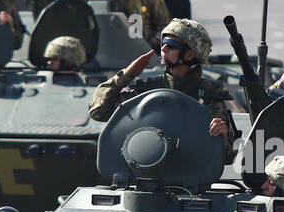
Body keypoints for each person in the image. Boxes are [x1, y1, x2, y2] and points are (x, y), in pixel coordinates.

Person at [88, 17, 237, 162]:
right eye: (163, 43)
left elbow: (227, 158)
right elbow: (99, 112)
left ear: (191, 54)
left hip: (190, 180)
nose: (163, 48)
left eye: (171, 45)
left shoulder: (209, 97)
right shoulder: (146, 91)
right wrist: (126, 75)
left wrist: (222, 136)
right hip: (143, 177)